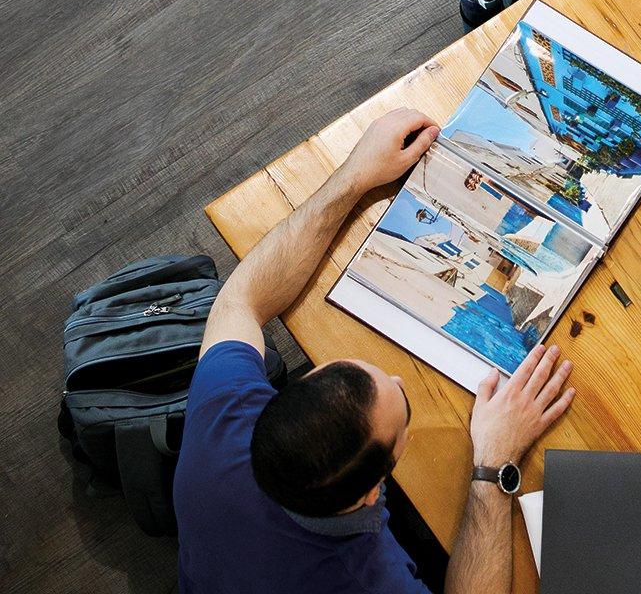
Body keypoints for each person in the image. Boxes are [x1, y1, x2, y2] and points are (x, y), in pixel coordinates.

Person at [173, 108, 576, 593]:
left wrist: (355, 175)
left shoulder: (224, 419)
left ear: (293, 389)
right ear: (371, 493)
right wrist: (495, 462)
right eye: (403, 411)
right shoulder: (373, 580)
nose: (401, 381)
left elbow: (239, 299)